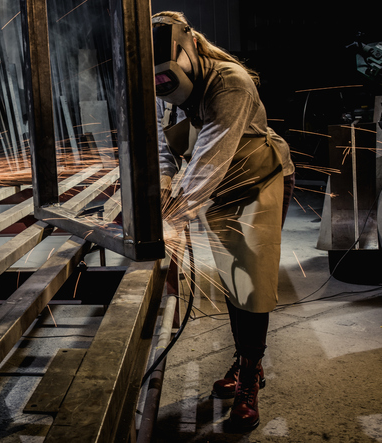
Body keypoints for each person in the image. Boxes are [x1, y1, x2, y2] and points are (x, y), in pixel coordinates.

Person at [152, 11, 294, 431]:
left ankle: (249, 380)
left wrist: (173, 217)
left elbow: (209, 159)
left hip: (258, 180)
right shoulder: (165, 84)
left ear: (190, 46)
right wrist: (162, 188)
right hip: (218, 187)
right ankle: (246, 361)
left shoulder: (230, 81)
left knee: (252, 283)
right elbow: (164, 142)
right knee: (233, 280)